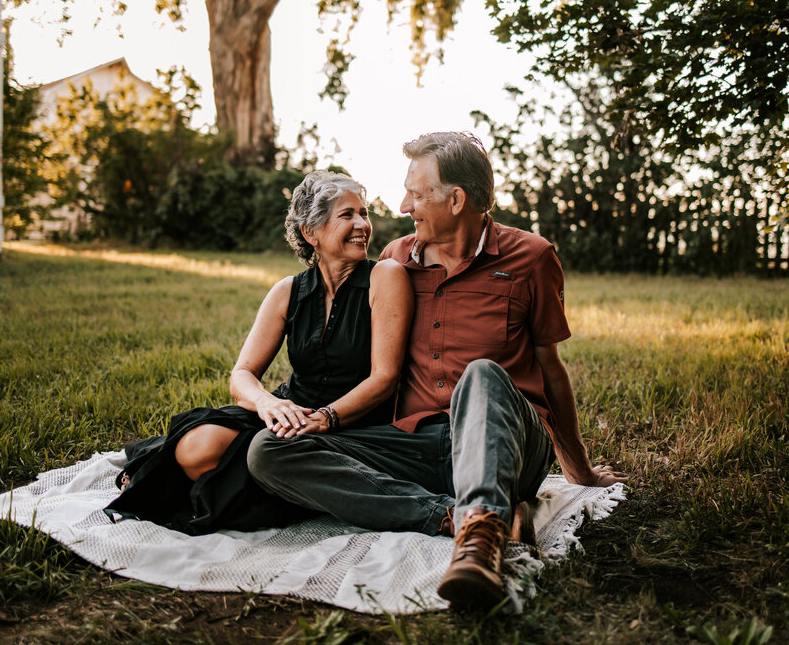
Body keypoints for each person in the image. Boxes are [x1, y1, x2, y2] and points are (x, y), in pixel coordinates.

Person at [246, 132, 626, 609]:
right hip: (420, 445)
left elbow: (551, 368)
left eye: (416, 193)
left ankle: (479, 549)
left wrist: (579, 468)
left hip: (507, 445)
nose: (403, 206)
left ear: (457, 199)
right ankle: (455, 516)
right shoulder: (395, 261)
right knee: (269, 452)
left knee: (483, 375)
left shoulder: (531, 258)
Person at [105, 170, 412, 534]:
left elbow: (385, 377)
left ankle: (208, 487)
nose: (363, 224)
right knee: (195, 448)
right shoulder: (288, 291)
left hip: (350, 423)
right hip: (288, 412)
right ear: (310, 232)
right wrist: (269, 404)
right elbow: (242, 375)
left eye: (364, 213)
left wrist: (326, 417)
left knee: (240, 461)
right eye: (348, 215)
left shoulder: (385, 276)